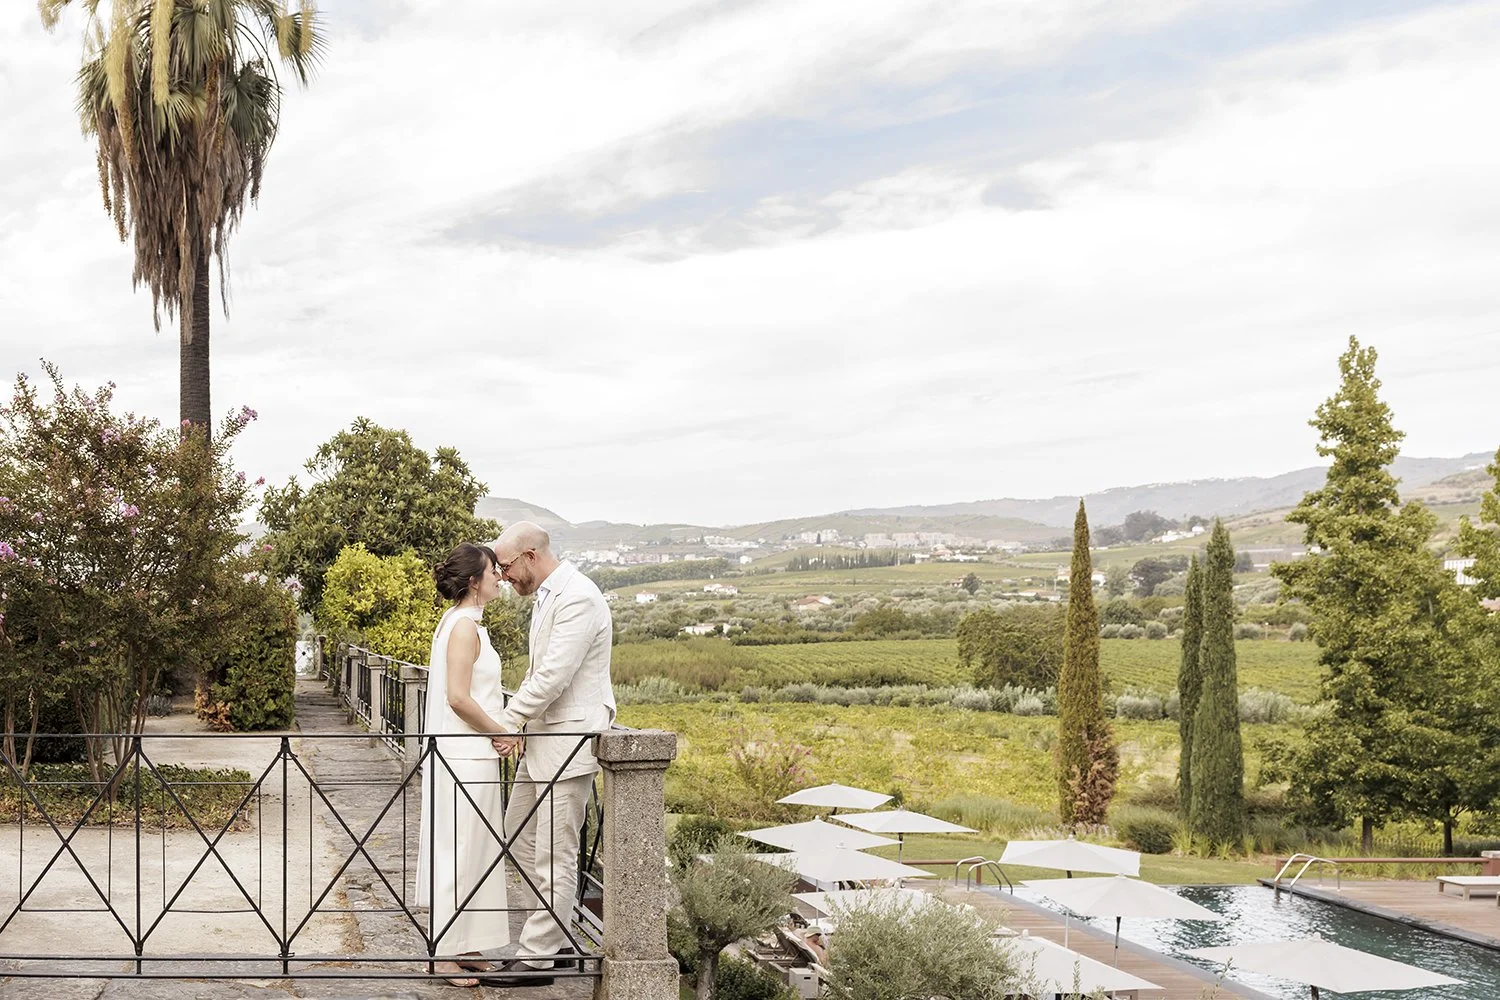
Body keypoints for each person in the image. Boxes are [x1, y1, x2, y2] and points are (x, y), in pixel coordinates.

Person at [480, 521, 616, 988]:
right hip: (542, 741)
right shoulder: (545, 597)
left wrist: (506, 723)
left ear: (531, 555)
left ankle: (538, 959)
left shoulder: (578, 596)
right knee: (516, 837)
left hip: (568, 742)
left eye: (506, 566)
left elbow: (553, 676)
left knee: (555, 856)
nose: (502, 576)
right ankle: (554, 938)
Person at [415, 542, 511, 988]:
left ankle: (467, 945)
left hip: (472, 757)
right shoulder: (462, 628)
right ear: (474, 580)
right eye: (493, 570)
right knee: (459, 850)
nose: (500, 576)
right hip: (463, 758)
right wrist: (501, 730)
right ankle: (444, 954)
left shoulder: (464, 623)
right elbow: (457, 698)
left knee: (475, 852)